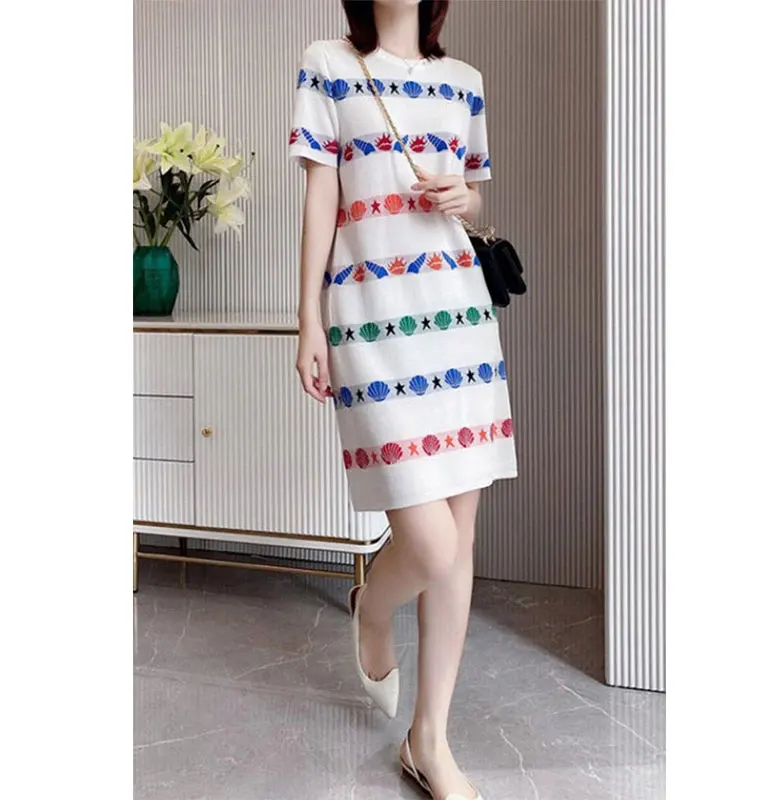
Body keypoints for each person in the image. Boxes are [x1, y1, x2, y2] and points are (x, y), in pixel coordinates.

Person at [289, 2, 517, 798]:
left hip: (457, 323)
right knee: (429, 544)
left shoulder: (463, 81)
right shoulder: (327, 63)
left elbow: (474, 196)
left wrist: (464, 200)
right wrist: (308, 318)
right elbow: (322, 195)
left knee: (459, 535)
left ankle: (429, 739)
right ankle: (373, 611)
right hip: (368, 318)